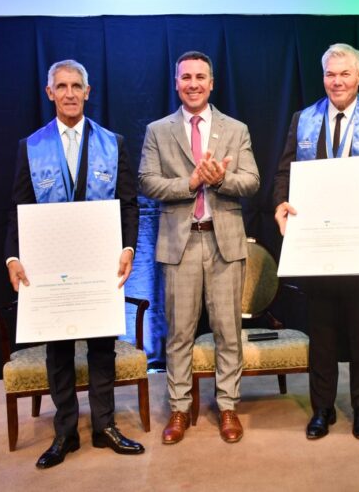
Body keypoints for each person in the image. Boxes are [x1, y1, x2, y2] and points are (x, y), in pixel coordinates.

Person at [5, 59, 144, 468]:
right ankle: (64, 432)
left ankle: (104, 426)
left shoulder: (113, 143)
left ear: (87, 92)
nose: (69, 93)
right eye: (61, 86)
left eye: (76, 86)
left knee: (102, 347)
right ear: (50, 93)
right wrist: (13, 256)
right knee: (59, 349)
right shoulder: (32, 146)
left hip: (99, 262)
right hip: (51, 265)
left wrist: (128, 248)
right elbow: (18, 207)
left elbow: (129, 203)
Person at [273, 43, 359, 440]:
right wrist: (280, 203)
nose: (337, 81)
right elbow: (285, 172)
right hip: (317, 243)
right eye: (330, 74)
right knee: (322, 331)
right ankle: (323, 408)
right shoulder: (303, 120)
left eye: (345, 73)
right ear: (323, 77)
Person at [139, 51, 260, 444]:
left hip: (224, 242)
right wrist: (189, 183)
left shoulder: (235, 129)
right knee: (179, 333)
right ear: (177, 83)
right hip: (180, 243)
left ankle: (227, 407)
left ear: (212, 83)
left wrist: (221, 179)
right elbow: (146, 181)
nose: (193, 84)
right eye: (186, 77)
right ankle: (179, 409)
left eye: (200, 77)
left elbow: (252, 180)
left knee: (228, 331)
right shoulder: (158, 130)